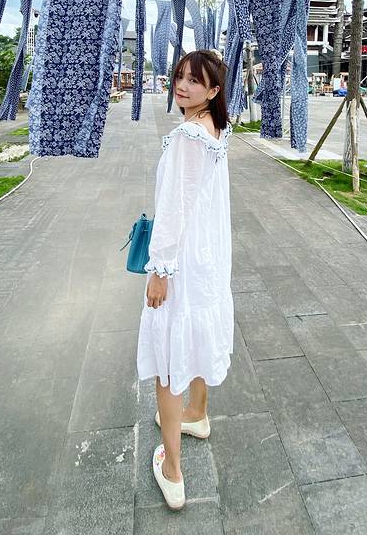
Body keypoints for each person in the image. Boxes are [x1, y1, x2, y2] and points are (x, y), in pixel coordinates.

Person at [136, 49, 233, 511]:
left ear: (213, 90)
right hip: (207, 258)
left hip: (183, 260)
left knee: (169, 358)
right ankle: (197, 413)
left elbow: (174, 209)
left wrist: (159, 270)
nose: (182, 85)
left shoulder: (187, 136)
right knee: (196, 332)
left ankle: (172, 470)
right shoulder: (215, 129)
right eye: (179, 76)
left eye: (195, 81)